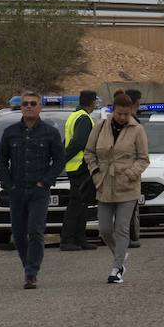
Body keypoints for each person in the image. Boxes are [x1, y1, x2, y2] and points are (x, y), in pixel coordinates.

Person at [0, 90, 67, 288]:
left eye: (33, 103)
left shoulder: (50, 133)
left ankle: (31, 272)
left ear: (39, 107)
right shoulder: (10, 132)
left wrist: (45, 181)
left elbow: (59, 160)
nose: (29, 106)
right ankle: (27, 264)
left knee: (35, 231)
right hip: (17, 190)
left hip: (39, 191)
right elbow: (1, 160)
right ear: (21, 107)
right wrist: (8, 185)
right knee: (18, 234)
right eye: (25, 103)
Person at [85, 93, 149, 283]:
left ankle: (116, 269)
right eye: (119, 113)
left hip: (127, 186)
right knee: (104, 229)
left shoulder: (137, 130)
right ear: (113, 110)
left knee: (121, 228)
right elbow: (89, 153)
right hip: (104, 183)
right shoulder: (100, 127)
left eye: (126, 114)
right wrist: (95, 171)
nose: (122, 117)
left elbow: (143, 158)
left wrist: (131, 173)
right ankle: (120, 254)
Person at [59, 90, 98, 252]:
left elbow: (66, 141)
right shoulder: (84, 118)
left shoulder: (74, 116)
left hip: (76, 167)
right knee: (76, 205)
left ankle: (80, 238)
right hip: (80, 167)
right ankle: (68, 239)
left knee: (82, 204)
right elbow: (78, 143)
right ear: (92, 102)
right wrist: (63, 159)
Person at [125, 88, 144, 249]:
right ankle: (127, 236)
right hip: (130, 169)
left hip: (122, 169)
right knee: (129, 206)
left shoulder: (118, 119)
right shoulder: (133, 122)